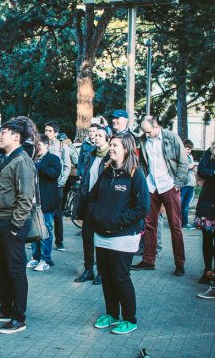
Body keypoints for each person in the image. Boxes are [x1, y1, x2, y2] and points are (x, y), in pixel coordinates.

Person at [91, 133, 150, 334]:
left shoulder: (135, 174)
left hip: (123, 237)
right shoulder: (107, 172)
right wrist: (97, 216)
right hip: (101, 235)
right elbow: (93, 197)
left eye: (115, 145)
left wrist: (118, 221)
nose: (112, 148)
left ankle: (130, 319)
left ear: (126, 149)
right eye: (111, 145)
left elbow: (142, 208)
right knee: (106, 276)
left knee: (120, 277)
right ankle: (112, 314)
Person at [0, 118, 35, 334]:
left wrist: (14, 226)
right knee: (2, 270)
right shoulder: (6, 157)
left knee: (15, 271)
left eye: (4, 132)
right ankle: (5, 309)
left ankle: (18, 318)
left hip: (10, 225)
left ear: (16, 136)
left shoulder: (22, 160)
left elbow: (26, 198)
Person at [132, 116, 187, 276]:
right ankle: (148, 261)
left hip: (169, 185)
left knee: (175, 226)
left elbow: (183, 162)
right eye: (143, 131)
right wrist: (143, 179)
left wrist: (177, 183)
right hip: (151, 186)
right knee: (149, 225)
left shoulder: (172, 137)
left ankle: (179, 264)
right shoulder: (143, 140)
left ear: (156, 126)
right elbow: (142, 161)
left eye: (148, 131)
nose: (146, 134)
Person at [75, 126, 110, 284]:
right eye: (94, 135)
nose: (95, 138)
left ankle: (102, 272)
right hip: (89, 200)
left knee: (101, 238)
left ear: (108, 139)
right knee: (87, 236)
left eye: (100, 135)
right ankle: (88, 269)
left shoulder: (111, 157)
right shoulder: (92, 155)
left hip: (103, 202)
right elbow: (86, 179)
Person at [26, 134, 61, 271]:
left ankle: (46, 259)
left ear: (47, 145)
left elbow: (54, 173)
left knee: (46, 230)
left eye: (39, 144)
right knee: (33, 230)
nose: (37, 148)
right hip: (32, 201)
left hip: (46, 202)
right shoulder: (31, 159)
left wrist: (39, 166)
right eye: (36, 145)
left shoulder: (53, 159)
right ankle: (35, 257)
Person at [44, 121, 71, 251]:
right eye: (45, 130)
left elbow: (67, 165)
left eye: (49, 131)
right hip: (44, 184)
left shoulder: (62, 146)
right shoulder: (42, 144)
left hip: (57, 185)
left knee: (57, 213)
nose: (47, 133)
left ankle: (59, 241)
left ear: (56, 133)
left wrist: (61, 182)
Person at [194, 141, 215, 287]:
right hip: (208, 202)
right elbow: (201, 170)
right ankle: (207, 270)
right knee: (207, 239)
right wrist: (213, 173)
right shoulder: (209, 152)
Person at [181, 139, 196, 230]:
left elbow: (191, 167)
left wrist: (194, 168)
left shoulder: (190, 156)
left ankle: (185, 222)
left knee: (186, 205)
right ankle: (180, 222)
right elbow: (184, 167)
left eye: (190, 149)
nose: (189, 151)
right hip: (184, 184)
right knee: (180, 204)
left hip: (190, 184)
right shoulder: (181, 157)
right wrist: (191, 166)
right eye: (187, 149)